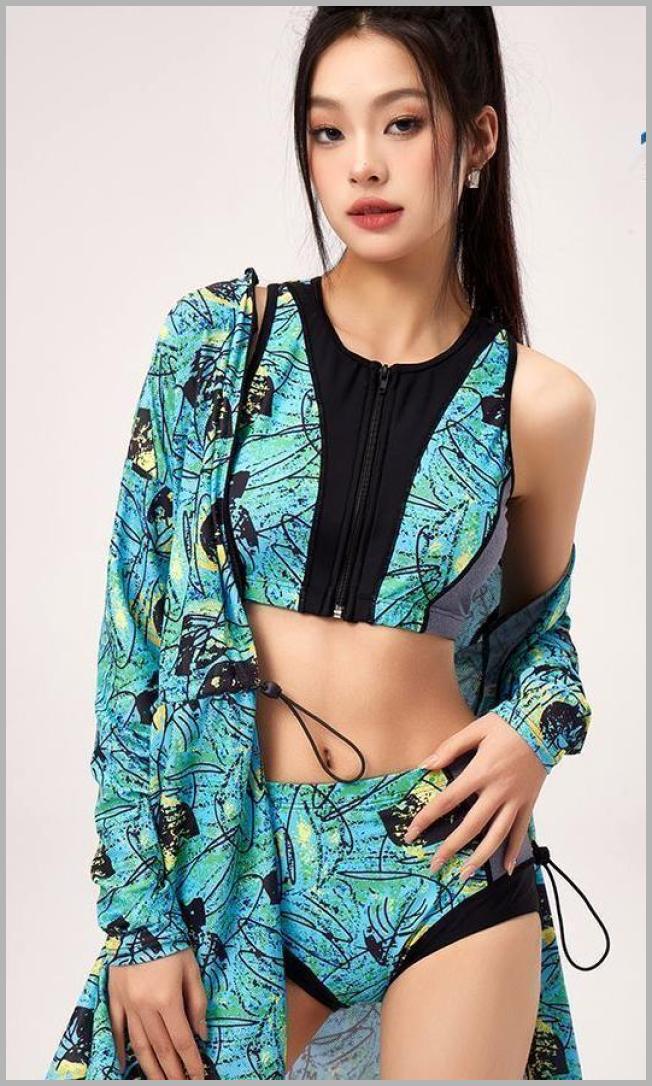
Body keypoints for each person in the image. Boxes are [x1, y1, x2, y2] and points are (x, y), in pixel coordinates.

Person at [46, 7, 610, 1082]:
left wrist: (534, 731)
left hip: (443, 858)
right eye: (327, 130)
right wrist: (139, 924)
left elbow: (539, 636)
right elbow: (134, 641)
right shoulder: (215, 344)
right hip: (234, 860)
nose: (363, 166)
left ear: (477, 139)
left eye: (401, 123)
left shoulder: (540, 405)